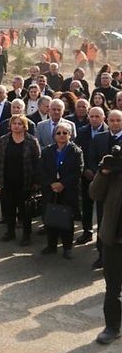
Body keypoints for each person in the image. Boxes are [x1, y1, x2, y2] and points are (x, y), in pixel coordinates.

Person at [0, 114, 42, 245]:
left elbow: (37, 162)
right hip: (7, 180)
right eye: (14, 123)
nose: (16, 126)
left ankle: (26, 235)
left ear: (25, 126)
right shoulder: (3, 140)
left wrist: (37, 181)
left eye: (20, 124)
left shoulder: (31, 141)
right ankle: (10, 231)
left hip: (25, 181)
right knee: (9, 207)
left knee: (25, 210)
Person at [89, 148, 122, 344]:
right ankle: (112, 327)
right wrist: (103, 172)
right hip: (114, 239)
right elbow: (94, 193)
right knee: (112, 288)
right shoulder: (113, 164)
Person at [39, 121, 84, 259]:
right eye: (58, 133)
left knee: (66, 220)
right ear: (54, 135)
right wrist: (52, 184)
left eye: (65, 133)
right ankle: (51, 246)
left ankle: (67, 248)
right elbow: (41, 170)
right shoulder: (47, 151)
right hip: (50, 190)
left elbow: (78, 170)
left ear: (70, 135)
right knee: (50, 218)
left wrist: (62, 184)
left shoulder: (76, 151)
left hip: (68, 190)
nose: (62, 135)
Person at [88, 110, 122, 269]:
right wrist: (101, 174)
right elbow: (92, 159)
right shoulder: (99, 138)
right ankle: (102, 255)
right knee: (102, 220)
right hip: (102, 186)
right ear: (107, 120)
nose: (115, 123)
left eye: (118, 120)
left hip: (119, 188)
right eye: (112, 120)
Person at [75, 107, 107, 245]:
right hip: (87, 175)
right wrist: (85, 170)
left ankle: (102, 236)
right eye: (92, 116)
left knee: (103, 210)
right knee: (87, 206)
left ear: (103, 118)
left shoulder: (108, 132)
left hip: (104, 177)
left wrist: (97, 171)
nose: (94, 119)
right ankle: (87, 232)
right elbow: (78, 152)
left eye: (97, 116)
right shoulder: (82, 131)